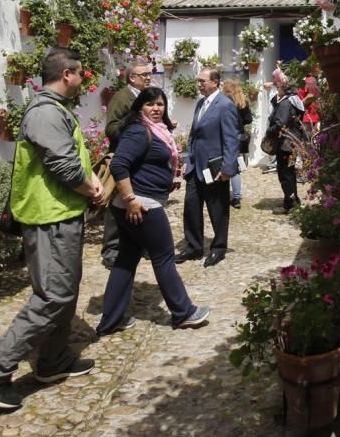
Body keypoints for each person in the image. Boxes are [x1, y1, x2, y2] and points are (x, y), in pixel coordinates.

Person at [0, 48, 104, 411]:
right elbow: (63, 166)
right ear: (67, 74)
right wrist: (90, 187)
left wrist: (88, 180)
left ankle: (53, 361)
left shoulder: (54, 110)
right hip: (49, 218)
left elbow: (69, 157)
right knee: (53, 296)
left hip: (60, 213)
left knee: (65, 292)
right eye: (79, 73)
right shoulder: (44, 112)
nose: (82, 80)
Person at [96, 86, 210, 335]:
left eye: (160, 104)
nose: (156, 109)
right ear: (140, 107)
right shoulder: (138, 130)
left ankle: (111, 319)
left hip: (134, 203)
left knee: (126, 260)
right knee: (164, 256)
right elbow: (119, 164)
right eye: (150, 104)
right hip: (141, 204)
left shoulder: (156, 130)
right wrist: (131, 199)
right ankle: (183, 312)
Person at [101, 56, 161, 268]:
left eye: (149, 74)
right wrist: (134, 130)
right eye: (145, 75)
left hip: (142, 159)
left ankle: (140, 244)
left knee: (139, 200)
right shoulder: (122, 97)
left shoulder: (145, 97)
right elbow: (111, 129)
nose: (148, 78)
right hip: (125, 157)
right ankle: (111, 249)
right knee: (117, 202)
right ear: (132, 77)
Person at [176, 68, 240, 268]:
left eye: (202, 81)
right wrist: (187, 158)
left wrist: (229, 167)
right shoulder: (200, 103)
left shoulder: (225, 105)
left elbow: (231, 138)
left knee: (217, 208)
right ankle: (194, 247)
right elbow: (194, 135)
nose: (199, 85)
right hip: (195, 166)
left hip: (215, 168)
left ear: (215, 82)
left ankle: (218, 248)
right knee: (191, 207)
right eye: (198, 81)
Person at [267, 78, 306, 213]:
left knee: (286, 174)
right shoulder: (295, 100)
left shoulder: (286, 103)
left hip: (286, 143)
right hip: (292, 141)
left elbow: (280, 123)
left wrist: (268, 131)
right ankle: (293, 200)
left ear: (284, 89)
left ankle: (289, 205)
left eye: (278, 88)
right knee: (290, 172)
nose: (277, 90)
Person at [222, 78, 254, 209]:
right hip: (239, 135)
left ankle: (230, 196)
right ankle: (236, 197)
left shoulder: (225, 101)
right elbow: (249, 119)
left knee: (224, 164)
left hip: (227, 135)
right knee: (236, 168)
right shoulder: (243, 101)